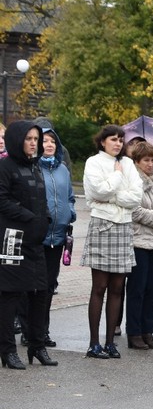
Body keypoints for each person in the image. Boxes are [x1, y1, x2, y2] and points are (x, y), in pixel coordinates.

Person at [82, 125, 143, 359]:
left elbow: (135, 197)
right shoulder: (94, 162)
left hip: (123, 225)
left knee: (118, 287)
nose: (118, 144)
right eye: (113, 140)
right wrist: (117, 178)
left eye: (121, 140)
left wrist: (113, 194)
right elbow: (98, 191)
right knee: (99, 287)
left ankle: (110, 342)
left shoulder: (128, 163)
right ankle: (94, 343)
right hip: (102, 224)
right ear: (102, 142)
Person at [0, 121, 56, 369]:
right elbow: (2, 199)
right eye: (29, 139)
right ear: (17, 140)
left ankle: (37, 345)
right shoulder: (5, 167)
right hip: (12, 240)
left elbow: (40, 201)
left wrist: (45, 219)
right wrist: (29, 216)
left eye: (37, 139)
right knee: (10, 296)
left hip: (35, 242)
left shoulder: (35, 168)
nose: (35, 143)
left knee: (40, 293)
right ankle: (7, 351)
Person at [125, 141, 153, 350]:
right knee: (137, 289)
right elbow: (135, 211)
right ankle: (134, 332)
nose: (151, 164)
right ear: (137, 161)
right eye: (146, 160)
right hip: (139, 241)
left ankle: (148, 331)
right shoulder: (132, 180)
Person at [39, 126, 76, 348]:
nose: (50, 144)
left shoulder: (63, 169)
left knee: (49, 285)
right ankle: (30, 329)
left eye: (53, 141)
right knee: (34, 286)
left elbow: (70, 197)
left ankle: (43, 330)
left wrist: (70, 212)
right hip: (37, 236)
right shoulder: (32, 168)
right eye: (44, 141)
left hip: (58, 237)